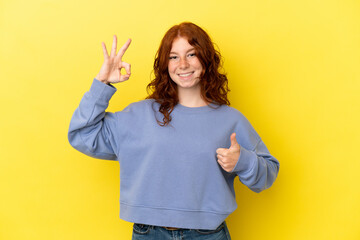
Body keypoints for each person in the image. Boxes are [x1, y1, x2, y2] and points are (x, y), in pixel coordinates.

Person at [68, 22, 280, 240]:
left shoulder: (230, 120)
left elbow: (268, 174)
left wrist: (242, 161)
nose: (183, 64)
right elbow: (82, 134)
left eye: (192, 54)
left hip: (208, 235)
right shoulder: (138, 115)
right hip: (148, 233)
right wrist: (101, 82)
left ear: (206, 60)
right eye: (173, 57)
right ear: (165, 64)